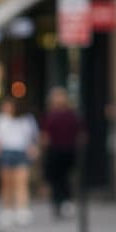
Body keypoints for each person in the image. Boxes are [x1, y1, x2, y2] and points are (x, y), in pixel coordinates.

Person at [0, 97, 39, 225]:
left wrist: (33, 149)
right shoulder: (0, 120)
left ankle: (22, 208)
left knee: (21, 182)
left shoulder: (26, 119)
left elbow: (33, 137)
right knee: (7, 183)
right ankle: (8, 209)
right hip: (6, 152)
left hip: (21, 152)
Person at [40, 87, 82, 219]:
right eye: (56, 97)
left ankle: (67, 201)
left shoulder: (71, 114)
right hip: (54, 150)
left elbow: (81, 131)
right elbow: (45, 134)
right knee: (55, 179)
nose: (59, 99)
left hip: (69, 150)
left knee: (66, 177)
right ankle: (57, 203)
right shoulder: (49, 115)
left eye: (61, 96)